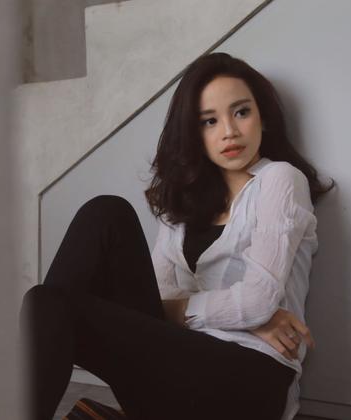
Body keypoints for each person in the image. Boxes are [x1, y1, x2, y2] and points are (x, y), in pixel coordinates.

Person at [20, 52, 333, 420]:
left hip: (250, 380)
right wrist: (242, 315)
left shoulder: (280, 179)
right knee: (103, 215)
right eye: (209, 121)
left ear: (263, 118)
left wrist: (236, 314)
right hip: (178, 373)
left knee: (52, 303)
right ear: (193, 133)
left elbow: (257, 301)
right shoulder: (184, 202)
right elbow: (160, 298)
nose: (229, 131)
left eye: (241, 112)